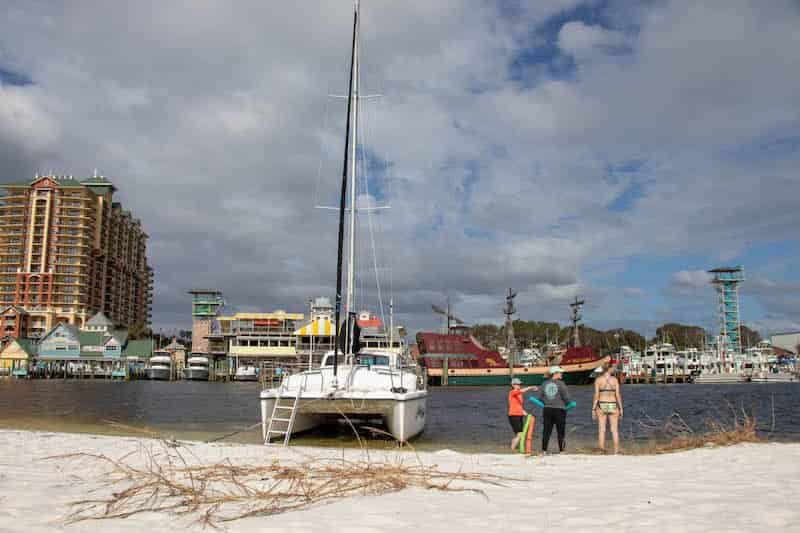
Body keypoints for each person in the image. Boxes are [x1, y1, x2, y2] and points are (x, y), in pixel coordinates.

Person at [528, 366, 576, 454]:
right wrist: (570, 404)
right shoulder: (561, 384)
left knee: (546, 430)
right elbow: (566, 398)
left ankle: (544, 450)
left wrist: (547, 402)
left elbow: (539, 398)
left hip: (547, 410)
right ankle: (561, 451)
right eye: (560, 372)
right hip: (560, 410)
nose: (562, 374)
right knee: (560, 431)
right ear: (555, 373)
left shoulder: (544, 384)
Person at [593, 362, 623, 454]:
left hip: (602, 404)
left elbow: (596, 395)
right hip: (613, 404)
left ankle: (602, 450)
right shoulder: (615, 380)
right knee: (614, 430)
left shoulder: (598, 380)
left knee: (602, 430)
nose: (613, 369)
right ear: (609, 369)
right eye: (612, 368)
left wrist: (593, 409)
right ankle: (616, 450)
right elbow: (618, 395)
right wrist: (621, 408)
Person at [508, 378, 538, 450]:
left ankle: (513, 447)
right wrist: (531, 387)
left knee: (519, 433)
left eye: (519, 384)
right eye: (517, 384)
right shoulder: (512, 392)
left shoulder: (519, 394)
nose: (519, 385)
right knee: (520, 434)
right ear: (513, 385)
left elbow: (519, 406)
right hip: (513, 415)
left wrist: (526, 414)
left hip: (519, 415)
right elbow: (522, 391)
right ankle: (512, 448)